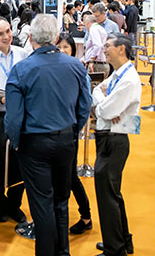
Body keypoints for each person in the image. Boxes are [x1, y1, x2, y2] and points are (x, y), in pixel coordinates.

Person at [4, 14, 91, 256]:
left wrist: (16, 142)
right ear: (55, 38)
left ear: (31, 38)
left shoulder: (21, 69)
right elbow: (85, 106)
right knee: (61, 202)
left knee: (42, 205)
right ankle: (63, 252)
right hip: (65, 140)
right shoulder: (75, 66)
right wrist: (72, 132)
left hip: (34, 143)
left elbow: (13, 116)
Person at [92, 35, 140, 256]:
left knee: (108, 197)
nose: (104, 49)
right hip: (109, 135)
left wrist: (103, 105)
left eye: (108, 46)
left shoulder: (128, 79)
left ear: (121, 49)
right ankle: (122, 240)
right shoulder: (118, 74)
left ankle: (115, 249)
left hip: (115, 138)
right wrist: (104, 101)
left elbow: (105, 111)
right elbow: (97, 90)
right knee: (112, 193)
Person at [0, 17, 28, 224]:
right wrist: (1, 99)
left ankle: (15, 205)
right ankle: (0, 205)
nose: (6, 36)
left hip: (21, 116)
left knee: (20, 160)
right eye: (0, 34)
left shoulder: (22, 54)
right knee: (0, 162)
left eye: (8, 31)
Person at [56, 33, 93, 235]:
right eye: (59, 47)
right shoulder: (55, 69)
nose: (62, 51)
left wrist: (75, 128)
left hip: (69, 133)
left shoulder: (78, 70)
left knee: (70, 176)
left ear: (72, 50)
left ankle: (85, 216)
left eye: (65, 47)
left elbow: (85, 104)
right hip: (58, 133)